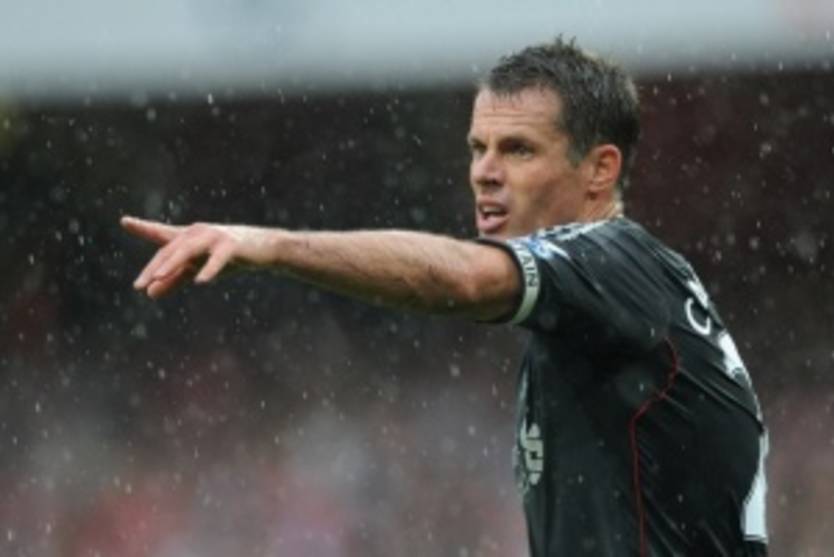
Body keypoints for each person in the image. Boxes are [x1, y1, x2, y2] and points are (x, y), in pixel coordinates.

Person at [122, 38, 769, 556]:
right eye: (477, 148)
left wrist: (270, 246)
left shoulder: (613, 260)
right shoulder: (609, 307)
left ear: (600, 169)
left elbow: (464, 280)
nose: (484, 171)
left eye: (518, 149)